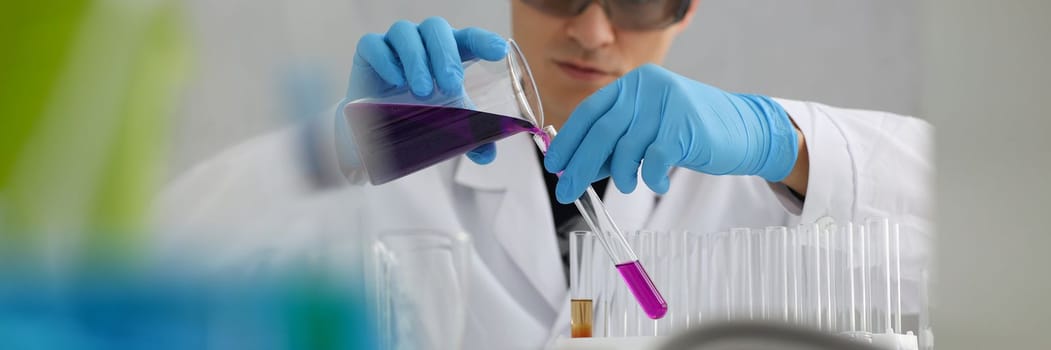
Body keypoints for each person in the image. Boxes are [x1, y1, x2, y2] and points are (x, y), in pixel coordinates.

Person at [155, 0, 931, 348]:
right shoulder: (408, 162)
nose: (591, 31)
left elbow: (1010, 235)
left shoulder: (755, 174)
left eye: (634, 0)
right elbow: (156, 263)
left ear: (684, 9)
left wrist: (787, 143)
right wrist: (341, 153)